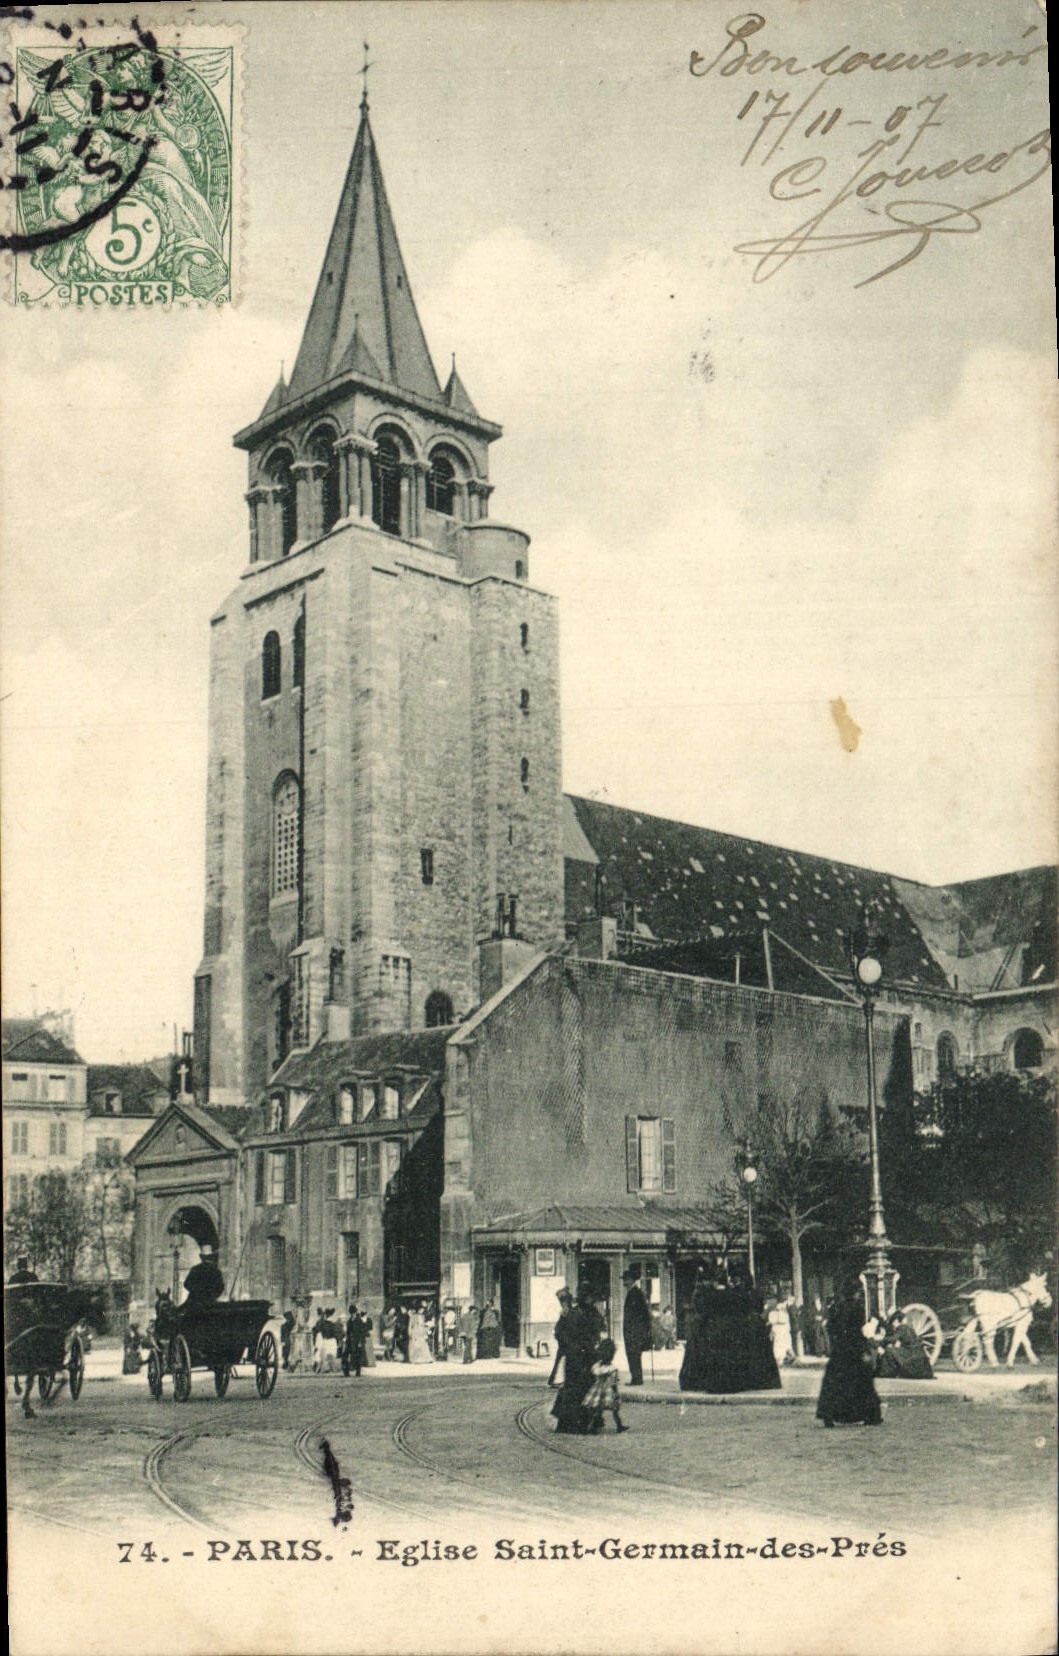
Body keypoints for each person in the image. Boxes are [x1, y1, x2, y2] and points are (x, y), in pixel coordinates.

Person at [816, 1282, 884, 1427]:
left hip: (839, 1351)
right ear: (854, 1293)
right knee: (862, 1384)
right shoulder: (857, 1308)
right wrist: (863, 1348)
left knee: (835, 1383)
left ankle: (829, 1415)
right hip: (853, 1350)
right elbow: (857, 1332)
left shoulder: (835, 1308)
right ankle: (870, 1415)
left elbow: (830, 1327)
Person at [550, 1286, 604, 1434]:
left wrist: (568, 1346)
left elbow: (559, 1333)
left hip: (575, 1356)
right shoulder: (587, 1313)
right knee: (583, 1388)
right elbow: (597, 1331)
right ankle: (585, 1423)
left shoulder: (570, 1313)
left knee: (573, 1388)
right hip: (584, 1356)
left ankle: (569, 1423)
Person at [583, 1338, 628, 1434]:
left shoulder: (597, 1366)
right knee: (615, 1411)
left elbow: (594, 1374)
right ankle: (619, 1426)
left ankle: (591, 1427)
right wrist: (616, 1392)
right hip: (609, 1391)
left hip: (597, 1391)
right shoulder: (612, 1369)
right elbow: (614, 1382)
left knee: (597, 1410)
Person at [877, 1310, 934, 1380]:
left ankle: (887, 1373)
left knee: (889, 1350)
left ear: (896, 1321)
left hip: (910, 1353)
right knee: (895, 1350)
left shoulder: (901, 1328)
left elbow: (893, 1338)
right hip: (919, 1353)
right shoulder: (909, 1328)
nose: (893, 1325)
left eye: (893, 1323)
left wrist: (881, 1338)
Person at [621, 1268, 654, 1386]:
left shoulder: (636, 1293)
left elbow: (644, 1313)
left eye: (626, 1279)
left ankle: (637, 1378)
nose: (624, 1282)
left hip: (635, 1330)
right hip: (632, 1330)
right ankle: (636, 1377)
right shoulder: (632, 1293)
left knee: (634, 1354)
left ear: (631, 1280)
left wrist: (644, 1329)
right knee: (632, 1353)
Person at [182, 1245, 225, 1312]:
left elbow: (186, 1284)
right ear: (212, 1257)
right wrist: (211, 1296)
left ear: (201, 1257)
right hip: (210, 1305)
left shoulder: (195, 1269)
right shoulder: (216, 1272)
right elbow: (221, 1288)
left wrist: (196, 1292)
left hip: (194, 1304)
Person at [548, 1288, 574, 1386]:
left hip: (564, 1338)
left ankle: (553, 1379)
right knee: (564, 1359)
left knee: (560, 1359)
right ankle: (556, 1379)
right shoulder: (567, 1311)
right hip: (565, 1339)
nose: (563, 1303)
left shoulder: (566, 1311)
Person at [343, 1303, 369, 1377]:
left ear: (355, 1312)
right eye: (351, 1313)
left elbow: (362, 1332)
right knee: (346, 1355)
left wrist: (360, 1341)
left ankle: (358, 1372)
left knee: (358, 1356)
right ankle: (346, 1372)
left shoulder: (359, 1321)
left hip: (357, 1341)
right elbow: (348, 1332)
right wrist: (346, 1339)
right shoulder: (349, 1321)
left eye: (353, 1313)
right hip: (350, 1341)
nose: (352, 1314)